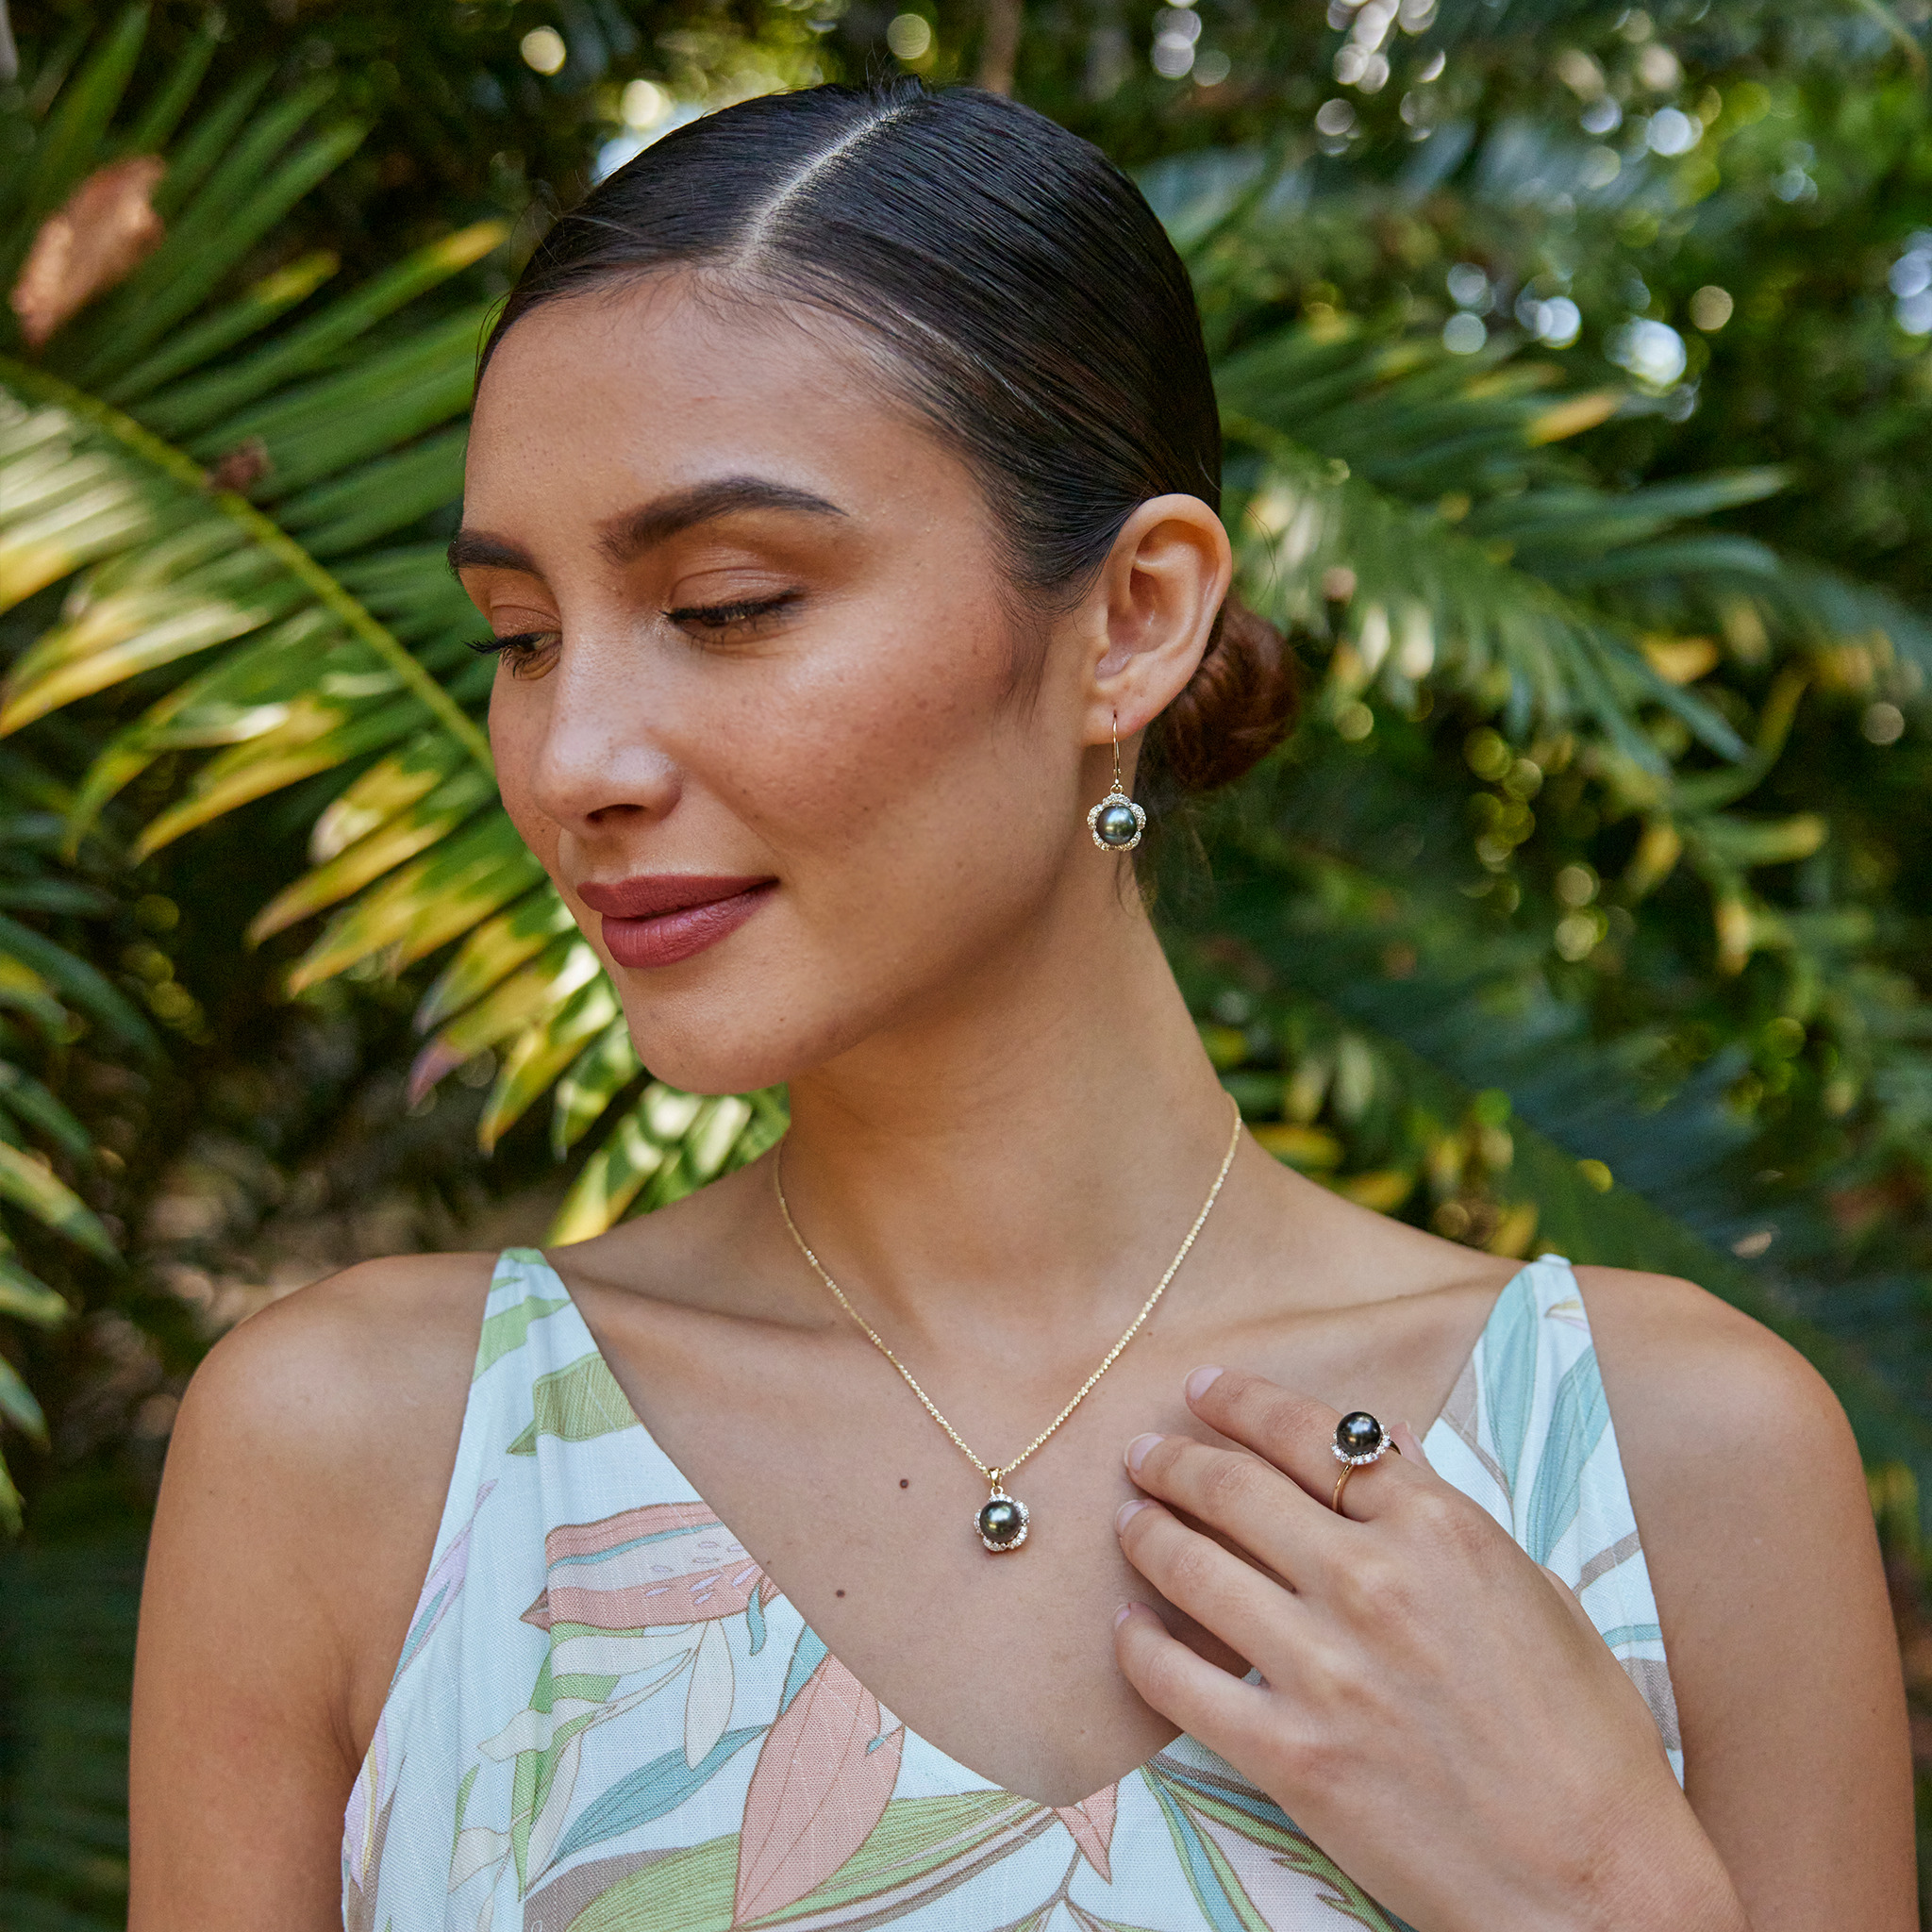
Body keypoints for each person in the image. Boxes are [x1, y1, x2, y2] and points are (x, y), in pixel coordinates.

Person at [128, 79, 1910, 1932]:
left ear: (1134, 619)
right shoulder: (369, 1466)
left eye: (727, 603)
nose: (572, 755)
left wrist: (1607, 1892)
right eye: (519, 634)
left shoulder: (1670, 1467)